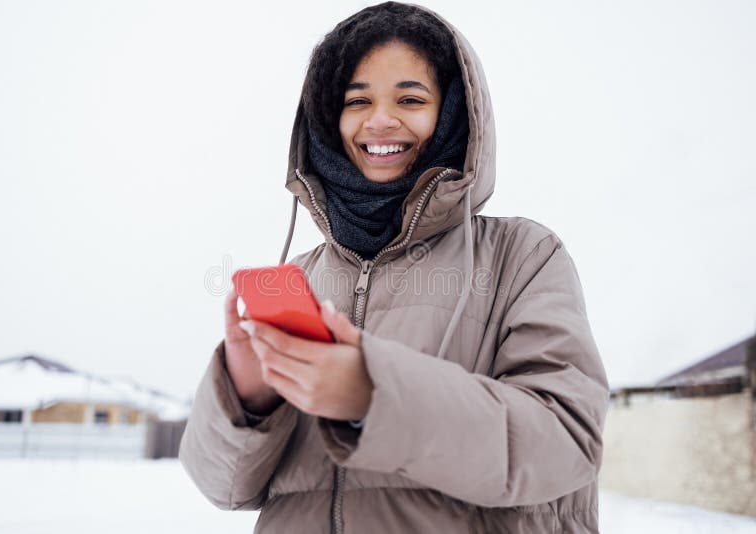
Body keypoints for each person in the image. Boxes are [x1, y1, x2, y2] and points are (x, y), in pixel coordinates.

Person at [179, 2, 610, 533]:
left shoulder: (522, 256)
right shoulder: (302, 275)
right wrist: (249, 399)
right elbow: (221, 486)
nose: (380, 120)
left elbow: (567, 442)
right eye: (356, 100)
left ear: (453, 112)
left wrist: (373, 394)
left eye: (410, 98)